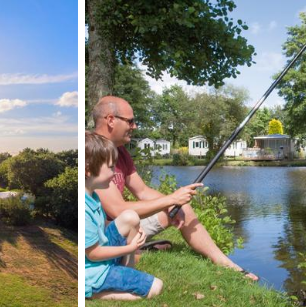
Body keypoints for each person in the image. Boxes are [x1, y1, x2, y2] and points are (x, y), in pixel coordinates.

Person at [91, 96, 258, 281]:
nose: (135, 126)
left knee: (181, 208)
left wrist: (173, 204)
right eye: (130, 121)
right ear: (111, 120)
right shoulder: (92, 151)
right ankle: (132, 251)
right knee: (156, 210)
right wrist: (171, 199)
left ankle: (226, 264)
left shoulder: (120, 150)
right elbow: (117, 210)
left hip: (123, 225)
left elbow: (143, 191)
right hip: (102, 233)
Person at [85, 131, 163, 300]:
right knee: (155, 288)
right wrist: (130, 248)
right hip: (93, 270)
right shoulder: (83, 207)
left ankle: (126, 273)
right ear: (88, 170)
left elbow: (100, 230)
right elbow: (93, 254)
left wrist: (134, 231)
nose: (114, 174)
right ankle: (92, 292)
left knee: (130, 216)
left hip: (101, 259)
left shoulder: (92, 195)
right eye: (111, 167)